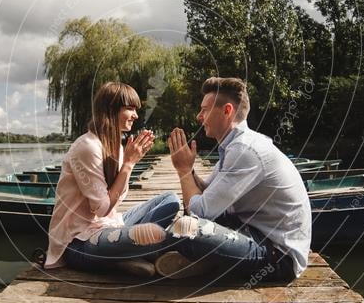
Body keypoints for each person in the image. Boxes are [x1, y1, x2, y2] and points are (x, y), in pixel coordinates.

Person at [158, 76, 311, 282]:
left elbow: (198, 211)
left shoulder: (244, 149)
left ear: (227, 111)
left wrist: (184, 171)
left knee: (185, 230)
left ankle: (204, 262)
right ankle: (206, 261)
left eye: (204, 109)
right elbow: (206, 192)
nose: (198, 117)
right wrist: (190, 169)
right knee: (178, 226)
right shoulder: (235, 145)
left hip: (278, 255)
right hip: (252, 231)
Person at [45, 81, 180, 277]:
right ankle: (138, 254)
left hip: (109, 225)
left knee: (170, 200)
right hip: (78, 244)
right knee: (152, 232)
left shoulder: (115, 145)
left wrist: (127, 162)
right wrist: (129, 165)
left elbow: (118, 198)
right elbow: (102, 207)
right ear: (110, 110)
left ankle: (126, 256)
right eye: (130, 109)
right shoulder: (88, 147)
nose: (135, 115)